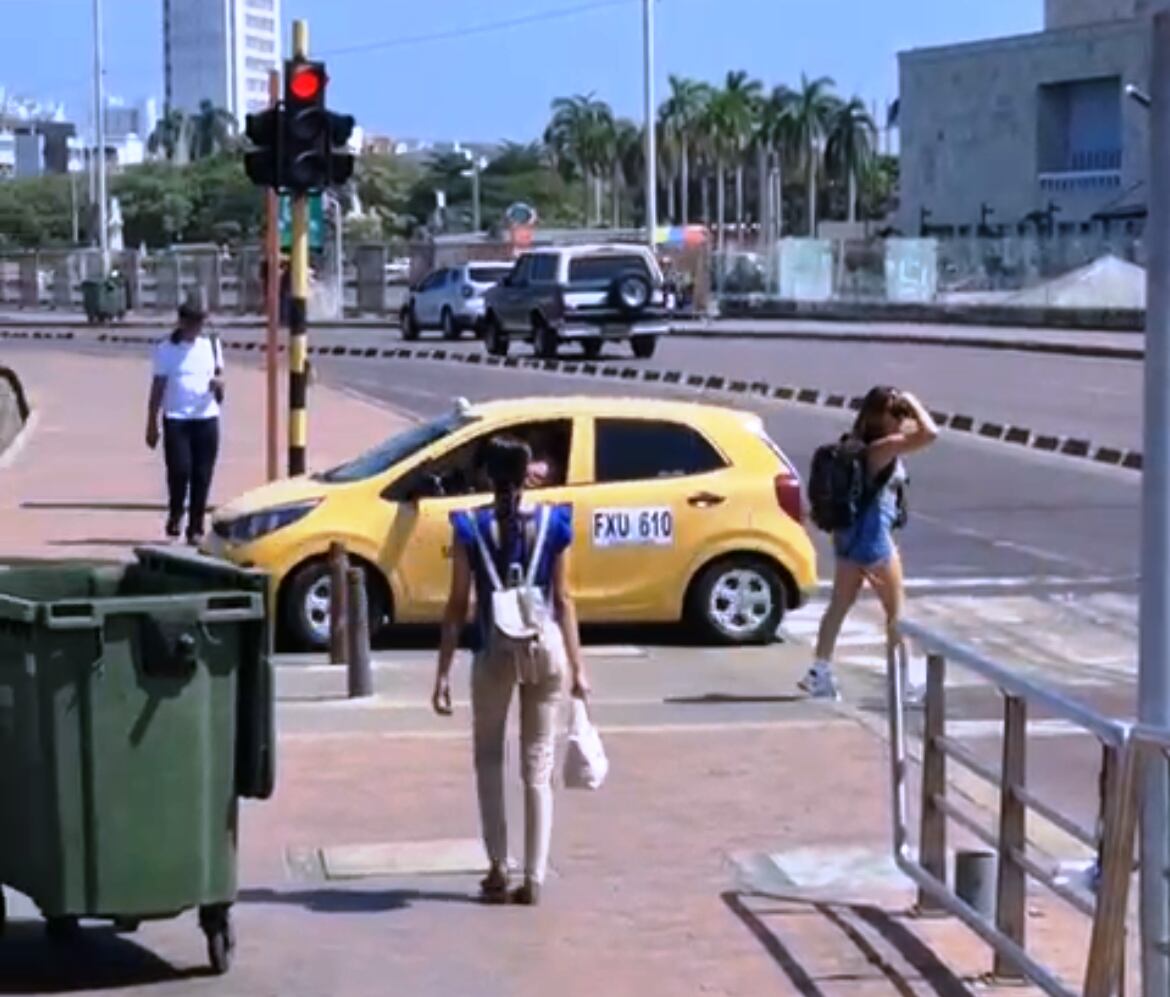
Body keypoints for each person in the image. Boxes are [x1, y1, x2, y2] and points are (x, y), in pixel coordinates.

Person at [431, 436, 589, 906]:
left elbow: (458, 604)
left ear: (486, 477)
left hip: (494, 649)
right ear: (528, 476)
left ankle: (499, 867)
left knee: (488, 759)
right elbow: (563, 600)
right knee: (537, 766)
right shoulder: (554, 522)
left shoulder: (469, 527)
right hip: (547, 650)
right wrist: (579, 669)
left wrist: (442, 672)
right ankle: (535, 876)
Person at [799, 387, 939, 700]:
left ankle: (818, 672)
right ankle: (904, 682)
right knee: (897, 613)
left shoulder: (853, 445)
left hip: (848, 538)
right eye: (898, 414)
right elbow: (931, 433)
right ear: (881, 416)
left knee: (839, 606)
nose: (904, 420)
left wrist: (902, 408)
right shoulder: (884, 448)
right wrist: (914, 400)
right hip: (874, 541)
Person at [145, 293, 225, 545]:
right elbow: (158, 387)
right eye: (192, 322)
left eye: (200, 323)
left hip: (206, 418)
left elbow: (221, 382)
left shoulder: (211, 344)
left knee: (202, 475)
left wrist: (219, 385)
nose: (196, 328)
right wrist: (151, 422)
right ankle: (176, 512)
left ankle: (196, 527)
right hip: (177, 419)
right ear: (181, 321)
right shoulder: (166, 349)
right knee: (180, 471)